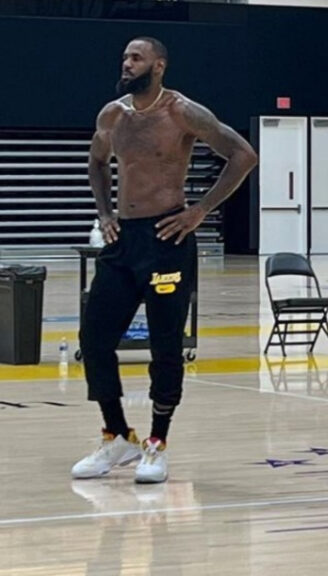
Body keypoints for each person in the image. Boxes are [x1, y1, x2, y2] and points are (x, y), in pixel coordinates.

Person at [72, 37, 258, 484]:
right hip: (124, 242)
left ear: (158, 66)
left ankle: (157, 442)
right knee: (94, 338)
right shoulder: (112, 114)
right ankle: (117, 434)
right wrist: (104, 212)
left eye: (135, 58)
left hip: (167, 237)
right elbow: (96, 162)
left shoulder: (183, 112)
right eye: (124, 57)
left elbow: (243, 156)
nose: (126, 63)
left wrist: (200, 211)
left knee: (165, 345)